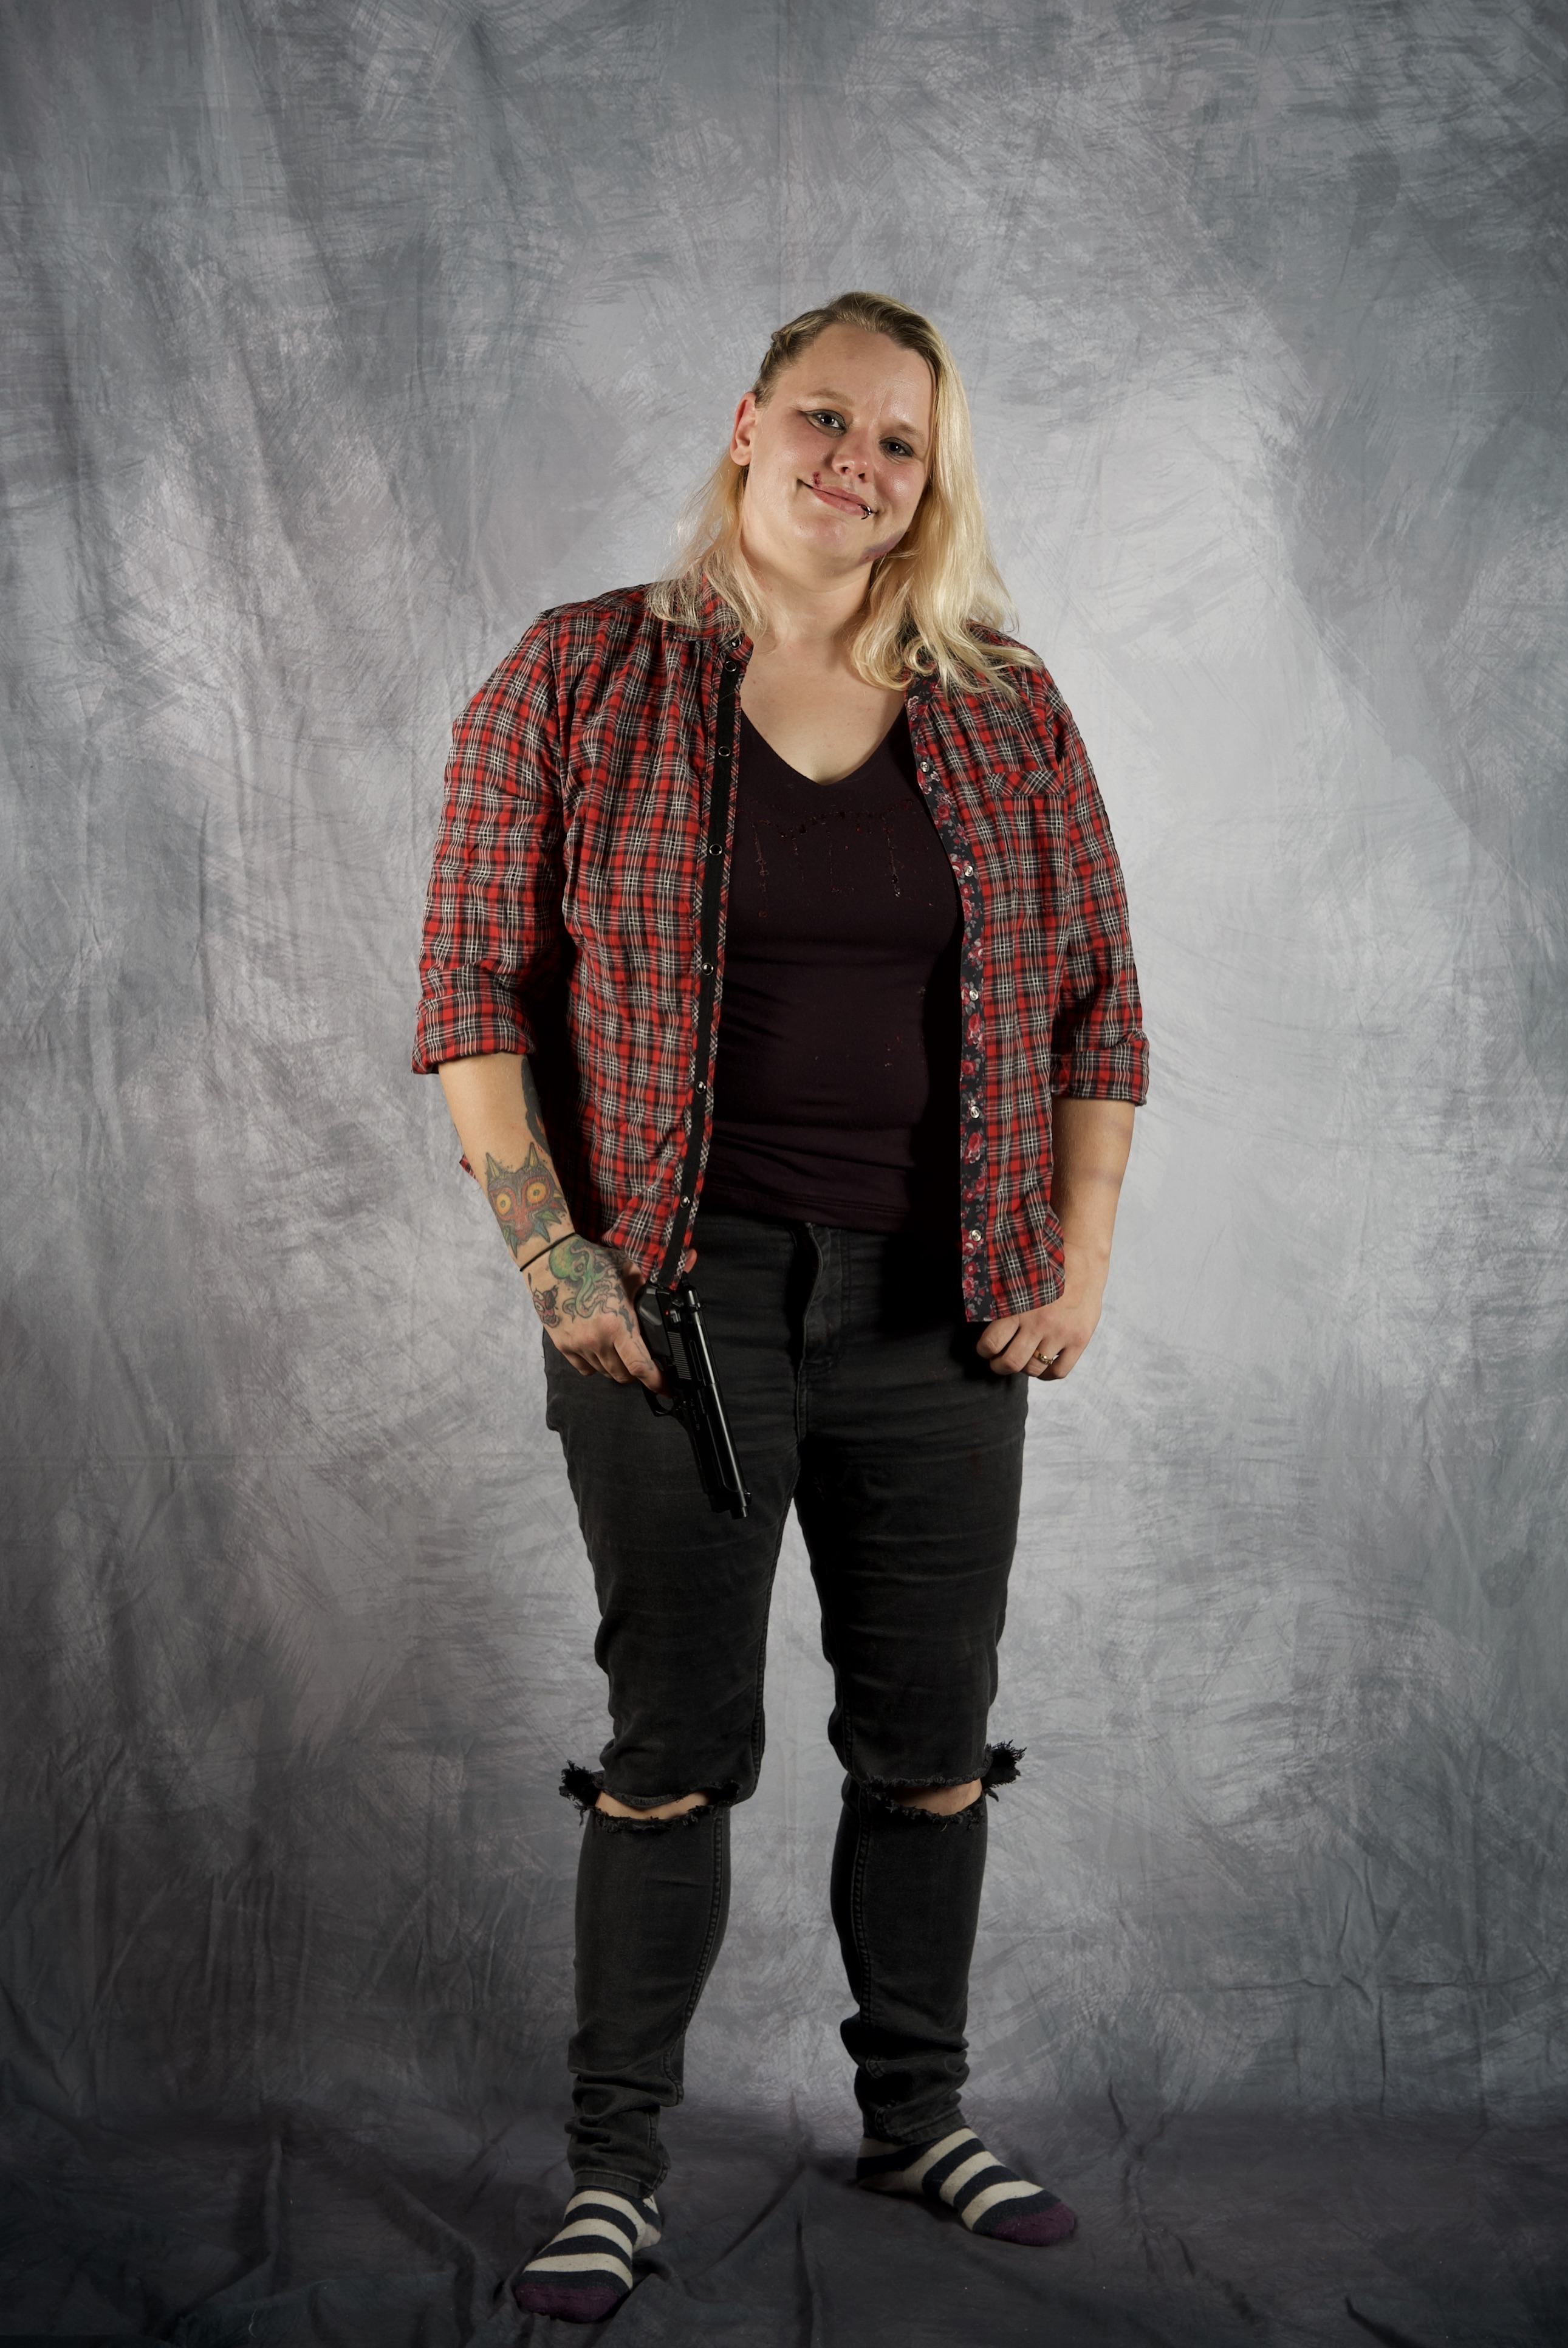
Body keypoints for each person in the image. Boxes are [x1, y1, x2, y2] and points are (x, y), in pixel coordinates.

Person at [414, 291, 1148, 2325]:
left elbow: (1100, 1006)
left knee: (931, 1745)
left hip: (943, 1304)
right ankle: (613, 2174)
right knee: (673, 1747)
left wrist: (1079, 1257)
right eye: (826, 418)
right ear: (747, 425)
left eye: (901, 441)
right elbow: (471, 987)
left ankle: (918, 2118)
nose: (859, 463)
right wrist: (553, 1257)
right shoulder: (583, 674)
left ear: (933, 477)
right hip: (674, 1304)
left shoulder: (1005, 708)